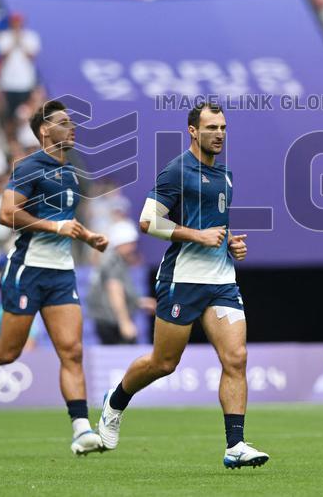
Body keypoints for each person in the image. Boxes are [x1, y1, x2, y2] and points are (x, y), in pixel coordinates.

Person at [0, 100, 110, 456]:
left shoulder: (72, 173)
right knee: (7, 352)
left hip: (61, 273)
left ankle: (81, 429)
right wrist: (56, 226)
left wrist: (87, 236)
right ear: (45, 131)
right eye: (64, 123)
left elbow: (62, 222)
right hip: (27, 269)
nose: (73, 128)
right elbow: (5, 213)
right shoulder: (28, 167)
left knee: (71, 351)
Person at [96, 103, 269, 469]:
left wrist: (230, 244)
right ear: (193, 131)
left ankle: (235, 445)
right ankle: (115, 403)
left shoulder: (225, 175)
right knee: (163, 363)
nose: (218, 134)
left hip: (220, 280)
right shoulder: (177, 170)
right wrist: (197, 235)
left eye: (222, 127)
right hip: (182, 280)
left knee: (236, 358)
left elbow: (215, 230)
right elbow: (147, 221)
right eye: (210, 128)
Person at [87, 214, 155, 344]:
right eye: (131, 243)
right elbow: (114, 290)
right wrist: (125, 323)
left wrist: (138, 302)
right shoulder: (113, 261)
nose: (134, 247)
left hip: (111, 320)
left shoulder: (117, 260)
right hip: (112, 322)